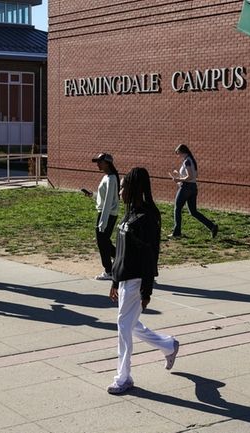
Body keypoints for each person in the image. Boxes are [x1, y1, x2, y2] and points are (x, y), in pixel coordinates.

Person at [107, 167, 179, 395]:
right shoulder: (129, 213)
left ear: (134, 188)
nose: (120, 190)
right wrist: (114, 280)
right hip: (124, 280)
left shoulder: (147, 218)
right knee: (129, 324)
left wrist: (147, 290)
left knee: (124, 327)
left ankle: (123, 377)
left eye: (123, 186)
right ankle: (168, 345)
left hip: (137, 281)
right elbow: (121, 251)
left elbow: (150, 256)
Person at [168, 144, 218, 239]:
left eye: (178, 153)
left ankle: (177, 232)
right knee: (193, 212)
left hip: (186, 188)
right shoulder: (191, 160)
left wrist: (179, 179)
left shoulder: (187, 161)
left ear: (183, 152)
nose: (178, 156)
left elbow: (189, 176)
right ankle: (212, 226)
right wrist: (179, 176)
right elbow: (193, 176)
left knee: (177, 208)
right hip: (193, 187)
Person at [83, 153, 120, 281]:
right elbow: (104, 198)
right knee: (104, 241)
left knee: (102, 242)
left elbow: (109, 201)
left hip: (107, 214)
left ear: (107, 163)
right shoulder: (107, 177)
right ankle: (121, 257)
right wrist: (92, 195)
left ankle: (109, 271)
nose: (97, 164)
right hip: (106, 213)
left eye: (100, 162)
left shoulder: (111, 179)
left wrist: (103, 221)